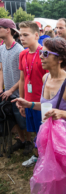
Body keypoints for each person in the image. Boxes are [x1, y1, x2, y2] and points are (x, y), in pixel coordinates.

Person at [12, 37, 66, 194]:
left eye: (45, 53)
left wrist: (61, 113)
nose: (41, 56)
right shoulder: (45, 77)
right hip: (50, 142)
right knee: (55, 182)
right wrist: (30, 104)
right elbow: (49, 107)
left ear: (60, 58)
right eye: (41, 52)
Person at [19, 21, 48, 165]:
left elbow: (51, 82)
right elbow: (22, 78)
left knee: (44, 133)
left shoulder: (45, 54)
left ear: (36, 35)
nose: (21, 38)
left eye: (25, 35)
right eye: (20, 35)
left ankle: (45, 158)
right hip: (28, 101)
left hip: (41, 103)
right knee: (36, 132)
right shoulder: (23, 54)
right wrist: (21, 101)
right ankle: (38, 157)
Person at [0, 18, 29, 153]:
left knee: (23, 118)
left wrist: (11, 90)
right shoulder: (1, 48)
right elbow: (1, 69)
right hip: (7, 92)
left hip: (19, 92)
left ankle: (29, 142)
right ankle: (22, 140)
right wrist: (1, 88)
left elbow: (24, 75)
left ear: (8, 30)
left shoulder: (19, 50)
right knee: (13, 118)